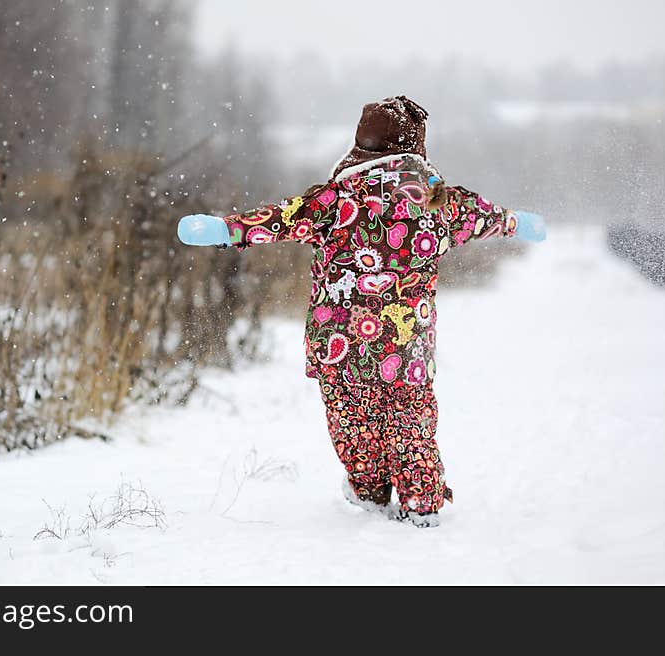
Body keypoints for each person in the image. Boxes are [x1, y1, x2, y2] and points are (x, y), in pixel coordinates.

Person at [177, 96, 546, 527]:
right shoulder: (437, 202)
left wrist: (226, 229)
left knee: (354, 424)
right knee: (411, 424)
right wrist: (516, 222)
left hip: (341, 347)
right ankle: (421, 500)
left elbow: (281, 219)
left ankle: (369, 489)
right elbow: (485, 216)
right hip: (406, 348)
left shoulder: (335, 200)